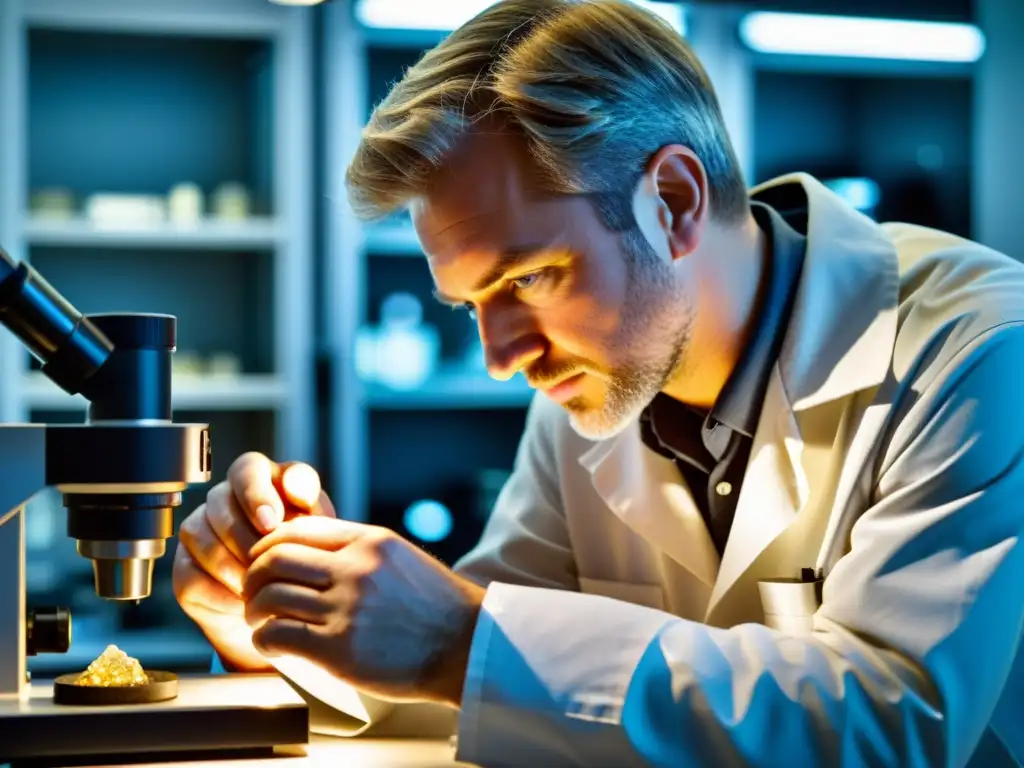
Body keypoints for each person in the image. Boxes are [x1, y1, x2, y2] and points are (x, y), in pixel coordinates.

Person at [172, 0, 1024, 765]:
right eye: (470, 303)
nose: (503, 356)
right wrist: (283, 622)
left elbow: (894, 728)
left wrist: (458, 640)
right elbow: (492, 691)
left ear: (676, 202)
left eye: (529, 278)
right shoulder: (595, 388)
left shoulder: (979, 351)